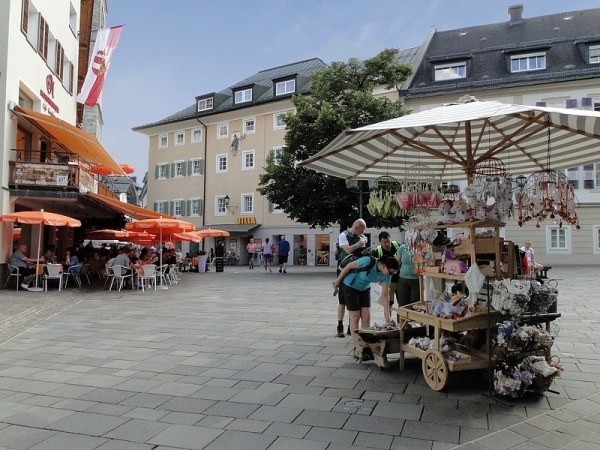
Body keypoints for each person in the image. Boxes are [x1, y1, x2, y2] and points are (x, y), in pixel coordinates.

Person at [332, 256, 399, 359]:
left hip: (364, 288)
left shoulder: (387, 275)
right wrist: (338, 281)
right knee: (355, 316)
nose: (391, 275)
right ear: (384, 266)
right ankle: (357, 348)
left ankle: (365, 345)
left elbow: (385, 295)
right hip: (350, 286)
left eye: (393, 273)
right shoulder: (368, 261)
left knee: (366, 316)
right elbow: (349, 266)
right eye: (391, 272)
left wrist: (387, 315)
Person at [336, 219, 369, 338]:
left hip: (357, 270)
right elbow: (348, 249)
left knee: (355, 299)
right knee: (342, 300)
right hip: (343, 268)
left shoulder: (361, 236)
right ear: (355, 228)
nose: (361, 233)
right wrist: (360, 243)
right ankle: (340, 326)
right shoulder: (343, 235)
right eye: (361, 230)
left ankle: (352, 326)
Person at [373, 231, 401, 308]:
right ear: (380, 242)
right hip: (389, 281)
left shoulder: (397, 245)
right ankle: (388, 318)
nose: (387, 244)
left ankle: (401, 319)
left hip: (400, 278)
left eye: (388, 241)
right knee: (389, 303)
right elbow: (375, 266)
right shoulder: (378, 251)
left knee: (402, 303)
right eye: (384, 242)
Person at [397, 242, 419, 306]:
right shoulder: (403, 248)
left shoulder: (420, 248)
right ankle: (402, 316)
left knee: (415, 305)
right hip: (403, 279)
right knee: (402, 304)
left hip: (416, 279)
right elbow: (397, 262)